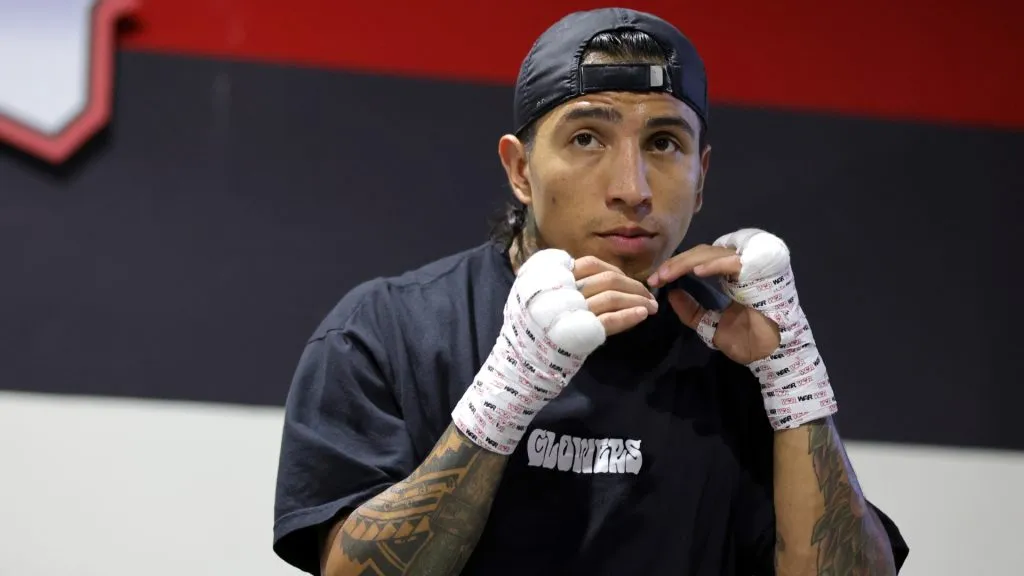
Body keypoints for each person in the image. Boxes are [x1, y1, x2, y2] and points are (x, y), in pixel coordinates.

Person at [272, 7, 909, 576]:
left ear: (701, 176)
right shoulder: (389, 330)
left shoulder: (740, 352)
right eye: (586, 138)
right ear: (520, 170)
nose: (631, 186)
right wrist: (505, 394)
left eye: (664, 143)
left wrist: (792, 379)